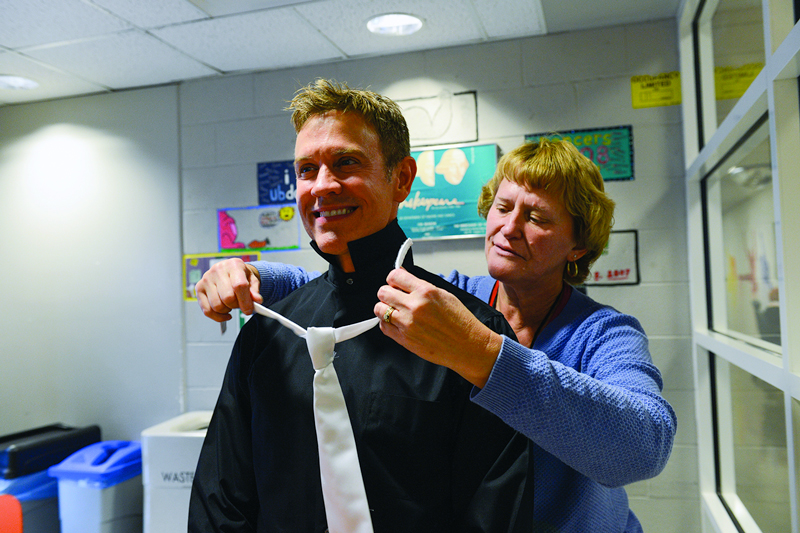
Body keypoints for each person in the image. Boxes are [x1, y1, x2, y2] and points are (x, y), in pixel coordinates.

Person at [196, 137, 678, 532]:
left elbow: (642, 448)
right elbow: (342, 291)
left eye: (537, 217)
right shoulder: (455, 301)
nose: (509, 228)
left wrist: (486, 357)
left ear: (578, 245)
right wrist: (249, 274)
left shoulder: (602, 334)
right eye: (503, 207)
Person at [189, 79, 536, 532]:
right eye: (307, 169)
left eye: (346, 163)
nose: (323, 186)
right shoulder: (268, 335)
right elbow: (222, 499)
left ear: (402, 178)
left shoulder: (469, 335)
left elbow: (497, 514)